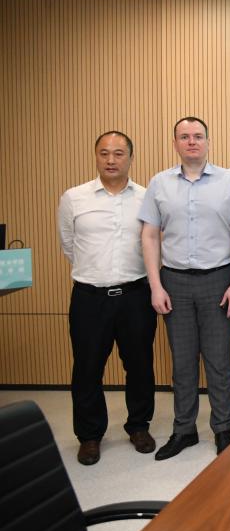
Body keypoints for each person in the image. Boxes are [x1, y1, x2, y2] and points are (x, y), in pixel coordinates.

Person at [139, 116, 230, 459]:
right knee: (182, 362)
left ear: (208, 142)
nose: (192, 142)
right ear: (175, 143)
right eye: (185, 136)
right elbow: (149, 236)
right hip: (174, 281)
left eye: (198, 136)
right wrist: (155, 286)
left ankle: (222, 428)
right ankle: (184, 430)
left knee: (218, 361)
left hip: (219, 280)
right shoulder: (159, 183)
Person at [57, 131, 157, 465]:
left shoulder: (147, 197)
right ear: (96, 156)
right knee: (87, 368)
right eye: (104, 153)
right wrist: (96, 273)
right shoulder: (74, 198)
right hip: (90, 297)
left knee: (140, 366)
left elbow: (155, 242)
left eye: (118, 153)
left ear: (131, 158)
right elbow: (68, 244)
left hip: (135, 295)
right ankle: (89, 435)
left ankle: (139, 426)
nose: (111, 160)